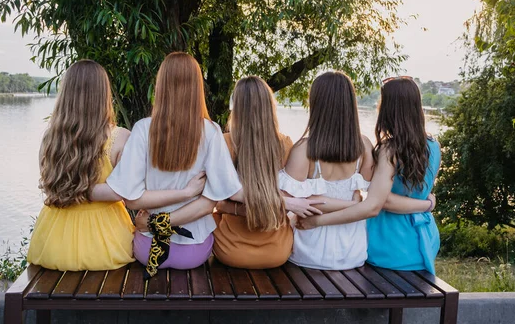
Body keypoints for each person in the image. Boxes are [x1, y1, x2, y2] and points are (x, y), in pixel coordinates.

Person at [91, 52, 242, 275]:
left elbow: (131, 199)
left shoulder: (143, 129)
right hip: (194, 250)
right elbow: (210, 203)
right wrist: (184, 193)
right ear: (196, 88)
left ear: (161, 86)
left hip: (147, 248)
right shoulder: (211, 132)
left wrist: (152, 223)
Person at [297, 76, 439, 274]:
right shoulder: (434, 146)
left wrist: (317, 221)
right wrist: (427, 204)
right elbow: (418, 194)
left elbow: (378, 203)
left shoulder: (389, 150)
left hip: (390, 242)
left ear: (388, 109)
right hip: (425, 240)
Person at [27, 60, 137, 271]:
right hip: (106, 242)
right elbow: (125, 192)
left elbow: (50, 183)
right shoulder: (121, 137)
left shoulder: (50, 138)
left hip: (54, 242)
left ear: (66, 94)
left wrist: (69, 187)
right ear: (104, 94)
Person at [278, 71, 374, 270]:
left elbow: (291, 203)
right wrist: (353, 204)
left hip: (309, 249)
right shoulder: (364, 145)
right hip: (352, 250)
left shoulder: (304, 149)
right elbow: (366, 198)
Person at [212, 76, 294, 269]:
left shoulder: (223, 143)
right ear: (270, 107)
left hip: (230, 251)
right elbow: (288, 205)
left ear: (237, 107)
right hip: (277, 252)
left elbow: (214, 201)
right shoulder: (285, 145)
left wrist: (230, 208)